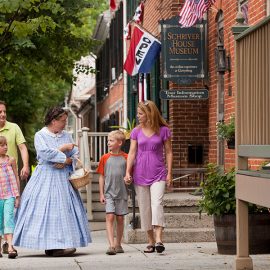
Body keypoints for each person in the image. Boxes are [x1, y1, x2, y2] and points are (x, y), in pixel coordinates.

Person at [12, 106, 91, 256]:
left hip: (63, 178)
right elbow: (44, 153)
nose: (64, 123)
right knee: (47, 209)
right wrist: (62, 151)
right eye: (62, 121)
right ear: (53, 121)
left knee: (63, 210)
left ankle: (58, 246)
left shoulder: (66, 135)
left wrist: (69, 161)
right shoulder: (40, 135)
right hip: (45, 176)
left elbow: (75, 153)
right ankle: (51, 245)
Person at [124, 100, 173, 254]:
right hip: (140, 173)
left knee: (157, 204)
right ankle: (150, 241)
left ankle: (159, 239)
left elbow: (169, 152)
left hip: (158, 173)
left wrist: (169, 173)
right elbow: (132, 152)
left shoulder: (163, 130)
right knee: (145, 208)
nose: (138, 116)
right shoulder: (136, 131)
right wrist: (127, 172)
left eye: (140, 113)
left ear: (149, 113)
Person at [0, 100, 29, 254]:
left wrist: (25, 165)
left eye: (4, 111)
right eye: (0, 112)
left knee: (11, 212)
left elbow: (22, 147)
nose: (3, 114)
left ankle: (9, 243)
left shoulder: (14, 127)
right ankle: (5, 242)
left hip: (11, 179)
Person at [97, 130, 128, 255]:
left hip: (122, 193)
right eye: (108, 141)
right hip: (109, 193)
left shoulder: (126, 158)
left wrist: (129, 179)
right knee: (110, 216)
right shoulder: (105, 158)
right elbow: (101, 177)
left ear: (119, 143)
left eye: (111, 140)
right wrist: (101, 193)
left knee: (120, 218)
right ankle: (111, 245)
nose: (108, 143)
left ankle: (118, 244)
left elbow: (129, 175)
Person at [0, 136, 20, 259]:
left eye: (6, 144)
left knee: (9, 219)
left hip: (9, 195)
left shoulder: (11, 160)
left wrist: (17, 196)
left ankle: (11, 247)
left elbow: (16, 177)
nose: (6, 147)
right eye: (2, 145)